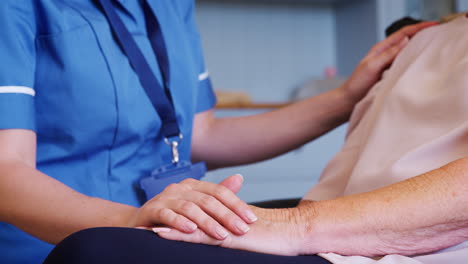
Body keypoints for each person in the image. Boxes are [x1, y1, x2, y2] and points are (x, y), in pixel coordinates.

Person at [0, 0, 436, 263]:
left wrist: (346, 99)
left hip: (162, 240)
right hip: (52, 245)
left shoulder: (169, 6)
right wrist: (127, 220)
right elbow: (6, 172)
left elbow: (200, 135)